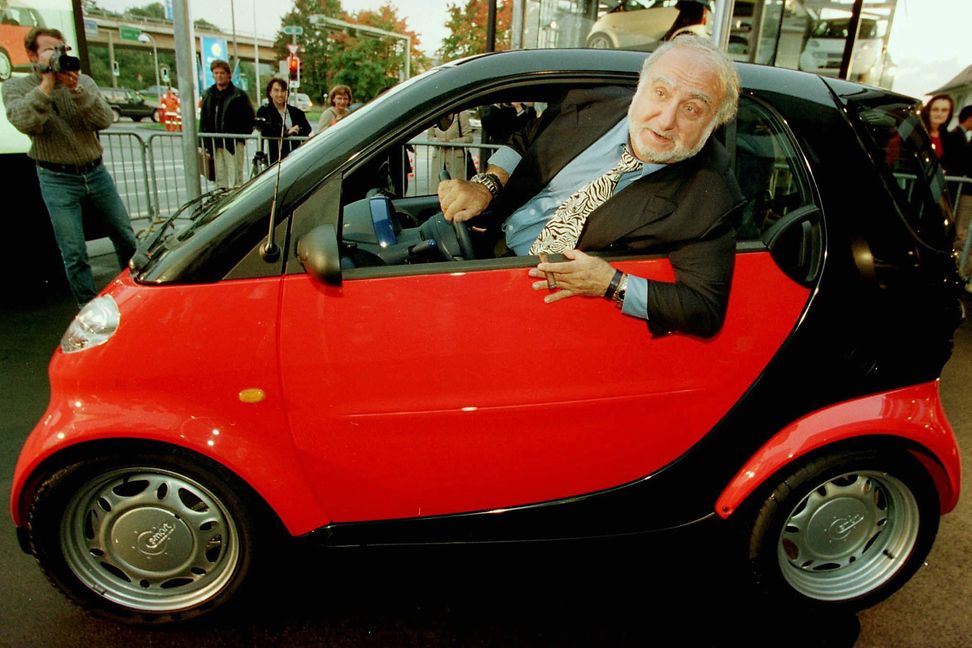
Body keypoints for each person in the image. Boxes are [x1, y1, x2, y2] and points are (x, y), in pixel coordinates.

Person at [437, 35, 742, 338]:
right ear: (640, 87)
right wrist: (487, 184)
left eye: (691, 109)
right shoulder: (593, 100)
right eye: (660, 93)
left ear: (713, 124)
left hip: (537, 313)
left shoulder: (711, 196)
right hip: (484, 247)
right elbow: (526, 139)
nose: (665, 121)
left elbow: (704, 308)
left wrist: (611, 284)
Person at [2, 27, 137, 308]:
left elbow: (103, 119)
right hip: (56, 177)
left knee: (125, 236)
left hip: (95, 171)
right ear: (32, 55)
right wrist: (48, 85)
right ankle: (89, 309)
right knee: (74, 251)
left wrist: (76, 90)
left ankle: (135, 297)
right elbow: (26, 121)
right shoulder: (16, 87)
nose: (59, 56)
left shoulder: (81, 81)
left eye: (63, 49)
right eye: (51, 50)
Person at [200, 59, 255, 188]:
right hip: (214, 143)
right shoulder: (208, 94)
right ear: (213, 74)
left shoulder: (239, 95)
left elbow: (250, 117)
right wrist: (202, 141)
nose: (219, 76)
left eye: (222, 73)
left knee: (235, 177)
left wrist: (241, 136)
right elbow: (204, 118)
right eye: (216, 73)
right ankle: (220, 203)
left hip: (233, 143)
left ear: (228, 74)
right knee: (219, 177)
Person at [255, 77, 312, 163]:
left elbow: (307, 129)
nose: (280, 94)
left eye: (283, 91)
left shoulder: (296, 112)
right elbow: (265, 129)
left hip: (295, 156)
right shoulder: (264, 111)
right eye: (276, 90)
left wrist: (297, 130)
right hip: (275, 158)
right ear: (270, 93)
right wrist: (286, 132)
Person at [919, 94, 964, 176]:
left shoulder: (949, 139)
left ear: (949, 113)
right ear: (928, 111)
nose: (939, 114)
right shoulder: (917, 133)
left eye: (944, 110)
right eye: (935, 109)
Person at [427, 110, 474, 181]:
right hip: (438, 160)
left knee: (456, 187)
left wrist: (451, 142)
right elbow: (429, 137)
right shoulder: (434, 114)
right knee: (438, 188)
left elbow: (469, 138)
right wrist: (437, 141)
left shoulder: (461, 115)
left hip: (456, 160)